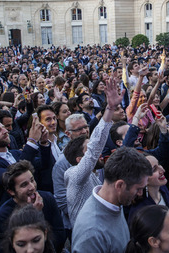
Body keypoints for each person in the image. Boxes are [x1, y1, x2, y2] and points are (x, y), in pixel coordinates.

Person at [64, 76, 122, 226]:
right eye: (88, 150)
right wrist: (109, 109)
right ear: (79, 160)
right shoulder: (75, 175)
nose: (99, 153)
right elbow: (95, 148)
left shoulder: (94, 174)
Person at [71, 147, 152, 253]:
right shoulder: (91, 233)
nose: (141, 194)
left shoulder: (116, 202)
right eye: (138, 189)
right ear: (120, 185)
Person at [0, 160, 65, 253]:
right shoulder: (4, 213)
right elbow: (2, 248)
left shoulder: (48, 198)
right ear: (11, 191)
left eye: (32, 180)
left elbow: (60, 236)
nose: (32, 187)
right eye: (24, 185)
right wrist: (34, 214)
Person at [128, 155, 169, 252]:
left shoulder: (163, 190)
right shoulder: (139, 211)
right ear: (143, 180)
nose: (162, 169)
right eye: (154, 169)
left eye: (159, 164)